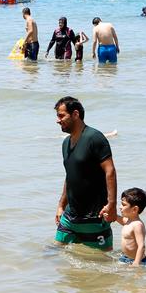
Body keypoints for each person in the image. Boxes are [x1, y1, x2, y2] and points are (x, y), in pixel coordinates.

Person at [54, 96, 118, 250]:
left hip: (94, 215)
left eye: (61, 115)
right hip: (70, 215)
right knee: (54, 253)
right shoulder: (66, 143)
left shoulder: (94, 138)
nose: (57, 120)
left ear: (75, 114)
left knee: (102, 262)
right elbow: (70, 175)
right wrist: (61, 205)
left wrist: (112, 205)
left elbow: (110, 171)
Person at [118, 187, 146, 266]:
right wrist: (111, 215)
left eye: (123, 205)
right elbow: (121, 220)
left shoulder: (137, 225)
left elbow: (141, 246)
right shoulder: (128, 221)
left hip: (137, 260)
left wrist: (136, 263)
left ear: (134, 209)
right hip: (125, 258)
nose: (120, 207)